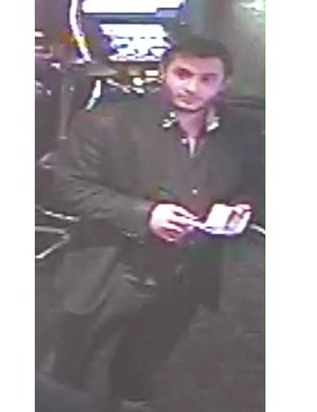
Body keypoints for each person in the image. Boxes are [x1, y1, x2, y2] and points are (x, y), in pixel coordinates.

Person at [43, 34, 264, 412]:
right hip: (109, 266)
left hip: (185, 271)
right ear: (164, 72)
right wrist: (144, 215)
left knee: (146, 358)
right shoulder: (107, 122)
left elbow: (255, 182)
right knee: (66, 365)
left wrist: (241, 207)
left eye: (207, 79)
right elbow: (66, 188)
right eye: (183, 74)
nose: (192, 87)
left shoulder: (241, 131)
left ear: (224, 83)